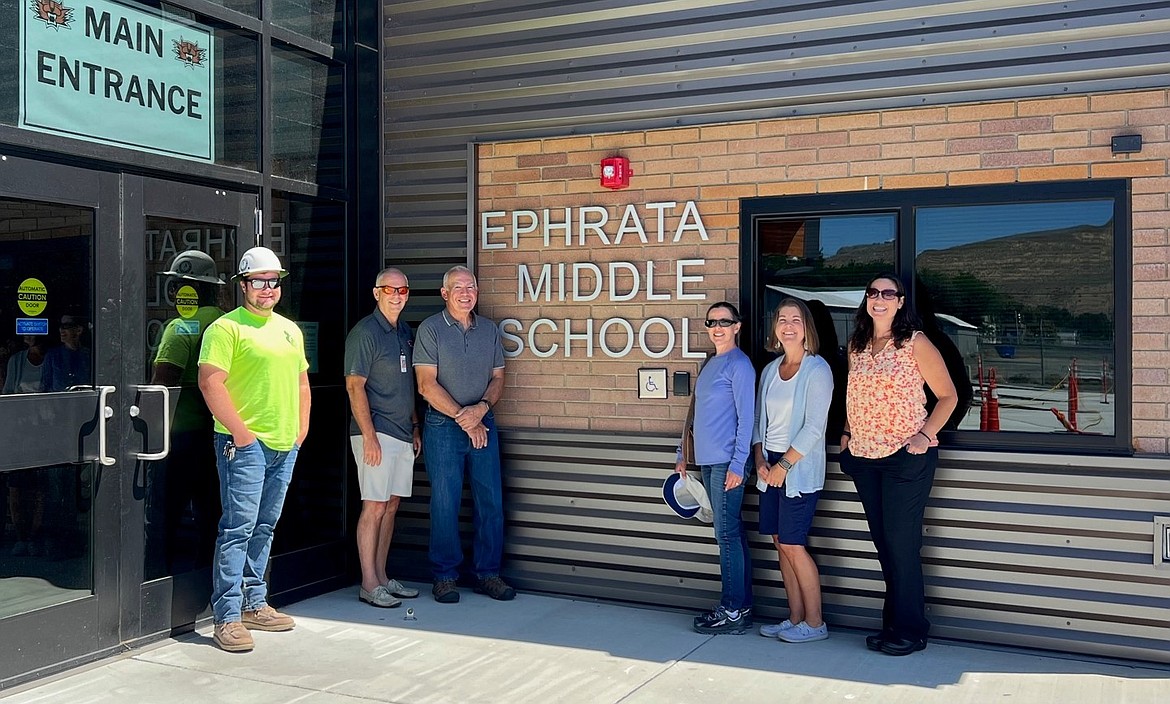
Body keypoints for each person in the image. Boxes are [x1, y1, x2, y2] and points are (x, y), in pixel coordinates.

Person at [837, 274, 957, 657]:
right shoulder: (857, 344)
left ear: (901, 302)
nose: (879, 299)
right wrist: (845, 432)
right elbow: (853, 395)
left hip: (905, 459)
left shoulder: (915, 343)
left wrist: (923, 436)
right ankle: (893, 624)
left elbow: (948, 396)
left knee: (902, 546)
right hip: (865, 458)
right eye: (872, 292)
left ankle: (910, 629)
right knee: (884, 545)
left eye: (888, 293)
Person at [198, 246, 311, 653]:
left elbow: (301, 382)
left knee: (264, 527)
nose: (267, 289)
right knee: (237, 529)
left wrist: (301, 430)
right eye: (259, 281)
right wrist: (243, 435)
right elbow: (211, 383)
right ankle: (226, 616)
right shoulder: (226, 329)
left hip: (284, 445)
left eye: (273, 281)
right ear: (243, 285)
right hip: (244, 445)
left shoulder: (288, 329)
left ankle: (253, 603)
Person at [413, 265, 514, 604]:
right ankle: (445, 576)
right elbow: (426, 385)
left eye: (471, 286)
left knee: (491, 502)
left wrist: (480, 411)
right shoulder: (430, 330)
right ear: (445, 293)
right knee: (445, 502)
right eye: (458, 287)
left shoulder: (489, 330)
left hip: (484, 424)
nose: (465, 292)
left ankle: (489, 574)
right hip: (444, 427)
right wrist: (463, 417)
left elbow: (498, 378)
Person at [752, 298, 833, 643]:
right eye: (781, 319)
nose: (788, 325)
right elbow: (759, 422)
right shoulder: (771, 370)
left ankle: (815, 624)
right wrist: (760, 460)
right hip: (769, 466)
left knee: (794, 543)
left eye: (795, 320)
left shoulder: (817, 370)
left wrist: (784, 464)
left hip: (796, 468)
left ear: (806, 328)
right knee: (779, 542)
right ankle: (795, 617)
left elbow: (815, 428)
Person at [675, 301, 755, 635]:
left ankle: (732, 609)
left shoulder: (740, 365)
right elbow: (696, 414)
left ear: (737, 326)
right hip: (706, 462)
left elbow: (747, 418)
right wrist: (683, 452)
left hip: (727, 463)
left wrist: (738, 463)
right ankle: (740, 605)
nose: (717, 327)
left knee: (726, 535)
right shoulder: (710, 363)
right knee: (729, 533)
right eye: (712, 322)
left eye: (725, 321)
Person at [344, 267, 422, 608]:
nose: (397, 295)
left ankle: (383, 577)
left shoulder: (404, 331)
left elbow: (408, 387)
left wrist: (416, 426)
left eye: (403, 290)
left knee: (391, 506)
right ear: (377, 293)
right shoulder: (365, 333)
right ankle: (368, 583)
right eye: (389, 289)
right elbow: (354, 385)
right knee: (374, 506)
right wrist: (369, 436)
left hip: (403, 433)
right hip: (375, 434)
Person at [146, 250, 227, 576]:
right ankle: (206, 577)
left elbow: (161, 382)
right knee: (212, 511)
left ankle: (155, 582)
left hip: (180, 436)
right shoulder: (227, 321)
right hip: (219, 434)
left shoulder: (180, 327)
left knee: (166, 513)